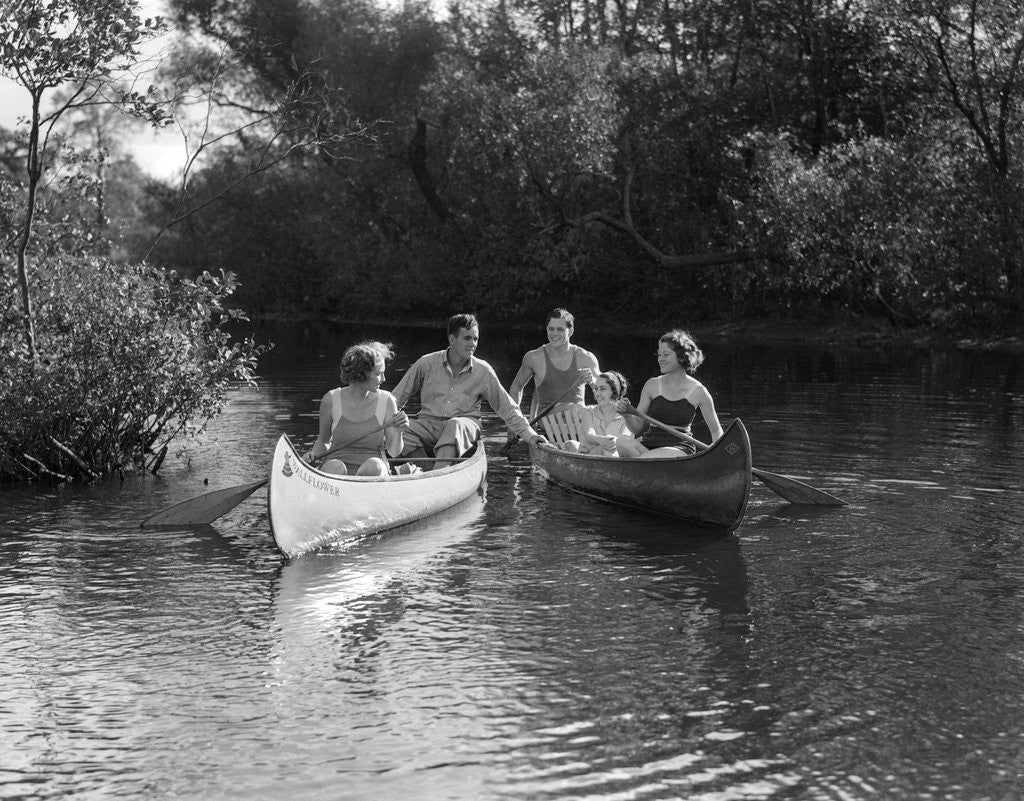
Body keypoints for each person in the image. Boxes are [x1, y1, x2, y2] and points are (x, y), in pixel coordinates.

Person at [393, 313, 547, 468]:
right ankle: (428, 471)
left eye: (476, 339)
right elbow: (395, 399)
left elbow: (507, 408)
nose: (473, 343)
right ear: (452, 339)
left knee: (455, 425)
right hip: (428, 425)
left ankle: (438, 472)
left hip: (464, 427)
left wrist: (531, 436)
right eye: (467, 338)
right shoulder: (425, 363)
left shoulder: (483, 371)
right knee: (397, 428)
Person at [615, 329, 724, 458]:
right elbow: (637, 428)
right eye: (659, 354)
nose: (660, 359)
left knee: (648, 458)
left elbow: (716, 431)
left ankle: (642, 466)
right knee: (622, 441)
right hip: (648, 445)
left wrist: (719, 452)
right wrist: (627, 415)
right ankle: (650, 468)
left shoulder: (699, 391)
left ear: (682, 356)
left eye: (666, 354)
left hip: (678, 449)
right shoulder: (652, 385)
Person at [308, 341, 410, 475]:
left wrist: (398, 432)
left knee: (374, 466)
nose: (384, 379)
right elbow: (323, 440)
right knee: (334, 466)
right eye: (379, 373)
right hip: (336, 469)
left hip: (374, 471)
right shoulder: (331, 399)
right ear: (363, 374)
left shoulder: (387, 401)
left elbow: (394, 452)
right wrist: (312, 457)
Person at [508, 308, 601, 418]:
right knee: (573, 409)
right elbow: (517, 386)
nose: (554, 333)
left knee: (587, 411)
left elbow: (605, 389)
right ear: (547, 329)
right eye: (551, 329)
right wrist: (514, 419)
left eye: (560, 329)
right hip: (548, 424)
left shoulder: (586, 357)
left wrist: (592, 381)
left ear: (570, 331)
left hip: (580, 422)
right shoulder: (533, 358)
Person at [559, 371, 635, 457]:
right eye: (596, 389)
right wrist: (602, 440)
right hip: (587, 458)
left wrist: (613, 442)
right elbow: (589, 435)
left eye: (602, 389)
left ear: (614, 391)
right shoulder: (588, 412)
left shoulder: (625, 415)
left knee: (609, 449)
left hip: (615, 458)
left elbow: (625, 440)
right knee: (606, 449)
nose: (597, 393)